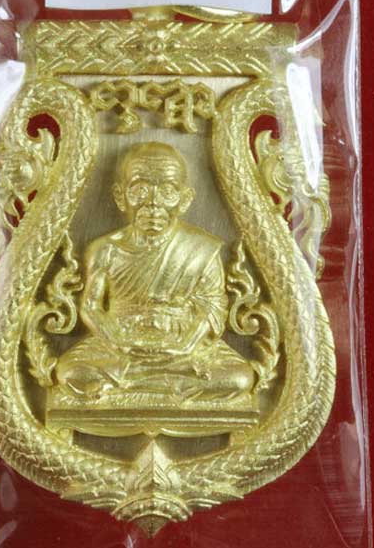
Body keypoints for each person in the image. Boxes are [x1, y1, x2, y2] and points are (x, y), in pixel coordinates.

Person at [54, 142, 256, 405]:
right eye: (140, 189)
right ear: (120, 196)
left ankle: (134, 383)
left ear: (185, 199)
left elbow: (213, 306)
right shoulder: (104, 249)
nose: (152, 203)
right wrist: (117, 342)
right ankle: (170, 385)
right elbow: (91, 306)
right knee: (71, 373)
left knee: (239, 378)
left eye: (167, 191)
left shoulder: (202, 249)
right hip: (121, 343)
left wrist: (186, 344)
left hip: (185, 345)